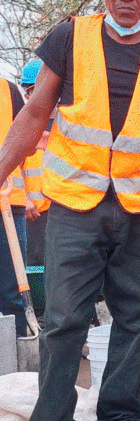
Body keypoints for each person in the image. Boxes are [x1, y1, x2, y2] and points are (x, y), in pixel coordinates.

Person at [0, 0, 140, 421]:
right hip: (76, 205)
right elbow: (35, 114)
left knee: (139, 318)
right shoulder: (69, 37)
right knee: (63, 320)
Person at [18, 59, 52, 267]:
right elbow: (12, 169)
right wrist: (24, 199)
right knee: (36, 265)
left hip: (66, 209)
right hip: (34, 213)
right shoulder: (21, 126)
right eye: (33, 90)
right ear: (26, 94)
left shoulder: (69, 124)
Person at [0, 76, 27, 338]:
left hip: (11, 202)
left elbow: (28, 143)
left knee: (13, 286)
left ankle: (17, 343)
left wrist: (29, 195)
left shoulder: (8, 90)